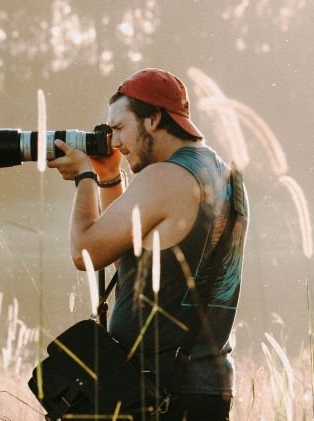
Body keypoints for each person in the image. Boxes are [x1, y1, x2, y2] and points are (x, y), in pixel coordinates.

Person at [47, 68, 249, 420]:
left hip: (160, 392)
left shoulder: (165, 176)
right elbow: (124, 252)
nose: (114, 141)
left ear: (154, 119)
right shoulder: (222, 174)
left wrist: (84, 178)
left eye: (121, 128)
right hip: (206, 387)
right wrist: (110, 178)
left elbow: (86, 254)